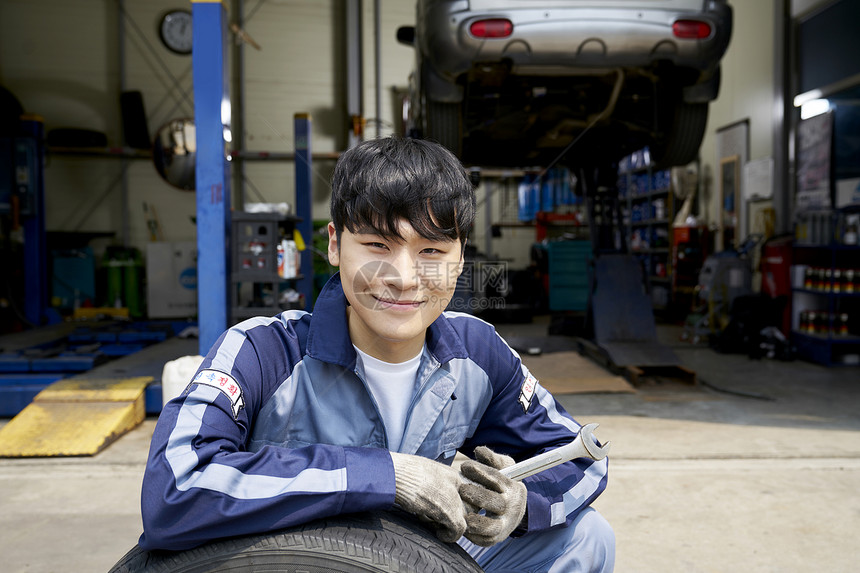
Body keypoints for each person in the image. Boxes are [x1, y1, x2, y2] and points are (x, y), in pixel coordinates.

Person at [139, 136, 614, 572]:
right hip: (293, 558)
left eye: (432, 251)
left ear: (461, 257)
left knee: (585, 538)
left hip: (420, 554)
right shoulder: (263, 351)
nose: (405, 278)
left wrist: (522, 502)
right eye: (376, 245)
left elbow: (579, 457)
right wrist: (385, 474)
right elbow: (174, 491)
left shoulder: (478, 354)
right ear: (333, 244)